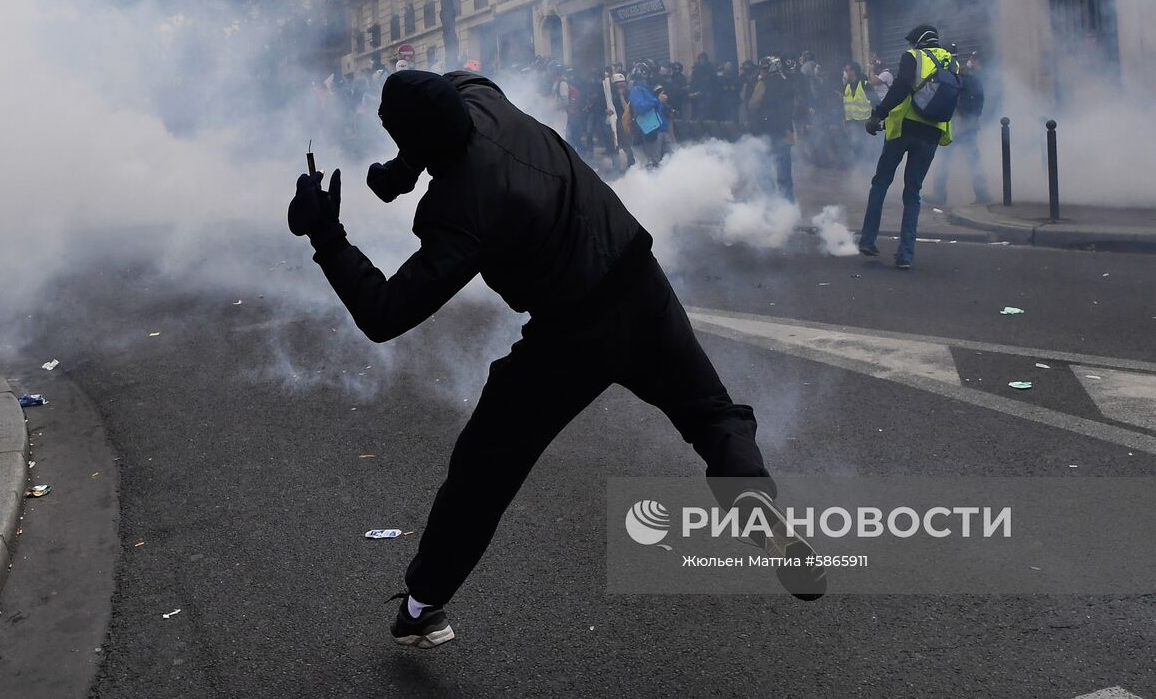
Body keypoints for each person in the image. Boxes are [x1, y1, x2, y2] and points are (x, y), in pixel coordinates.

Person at [287, 71, 825, 650]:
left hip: (573, 334)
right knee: (711, 413)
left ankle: (421, 608)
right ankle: (751, 499)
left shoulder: (459, 211)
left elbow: (384, 313)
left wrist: (327, 235)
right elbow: (448, 107)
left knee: (482, 471)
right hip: (638, 278)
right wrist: (403, 170)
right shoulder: (481, 99)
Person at [858, 25, 957, 269]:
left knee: (881, 182)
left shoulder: (913, 57)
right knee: (913, 193)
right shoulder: (952, 63)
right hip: (932, 133)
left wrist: (877, 114)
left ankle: (868, 240)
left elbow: (901, 87)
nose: (910, 46)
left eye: (912, 42)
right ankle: (906, 255)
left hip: (903, 129)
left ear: (919, 42)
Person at [931, 52, 991, 206]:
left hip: (957, 125)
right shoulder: (973, 78)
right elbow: (981, 99)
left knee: (945, 160)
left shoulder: (954, 78)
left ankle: (939, 195)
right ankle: (982, 193)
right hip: (969, 124)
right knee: (973, 160)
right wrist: (974, 117)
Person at [747, 57, 797, 201]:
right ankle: (788, 207)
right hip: (786, 132)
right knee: (784, 174)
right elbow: (794, 107)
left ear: (770, 70)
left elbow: (753, 105)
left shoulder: (763, 84)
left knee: (765, 171)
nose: (761, 71)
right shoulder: (788, 83)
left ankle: (771, 205)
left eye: (763, 69)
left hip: (767, 133)